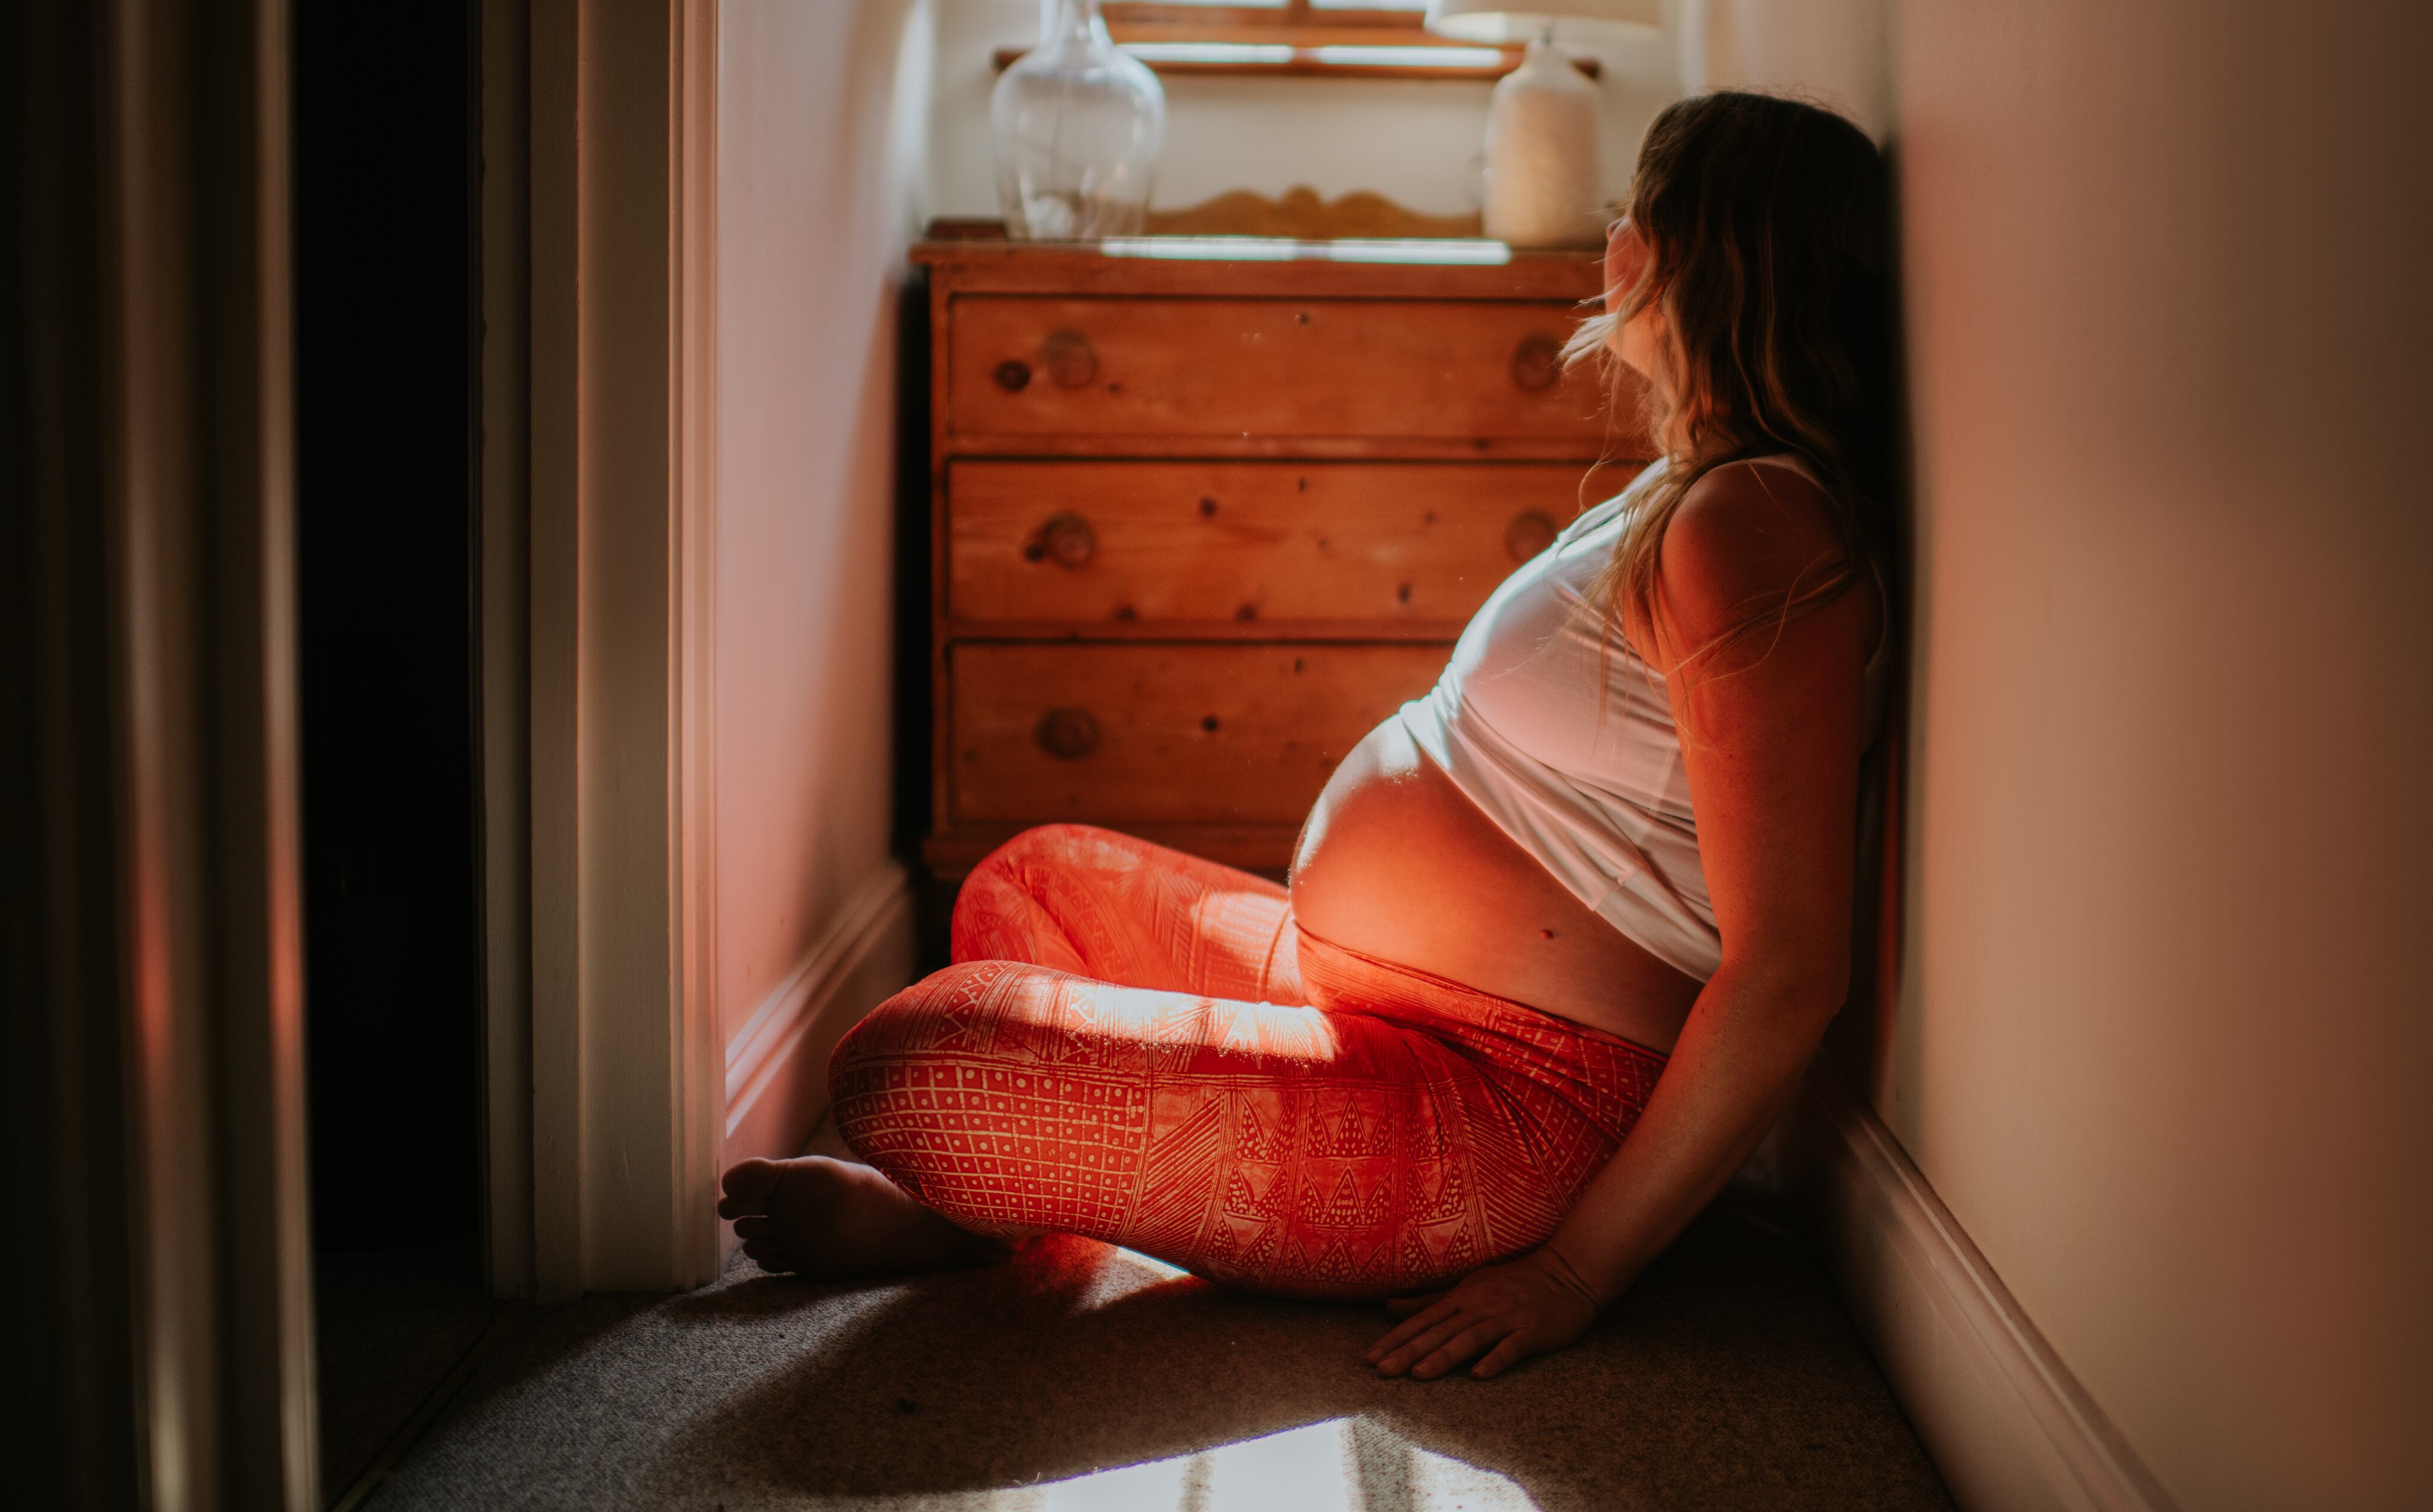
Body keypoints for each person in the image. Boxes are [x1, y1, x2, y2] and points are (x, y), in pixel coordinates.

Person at [719, 91, 1894, 1382]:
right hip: (1363, 995)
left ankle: (1022, 1206)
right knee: (1031, 878)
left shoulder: (1757, 526)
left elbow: (1790, 965)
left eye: (1636, 215)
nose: (1612, 244)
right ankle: (1009, 1213)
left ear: (1681, 255)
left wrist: (1573, 1271)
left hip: (1500, 1105)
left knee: (907, 1071)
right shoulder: (1707, 495)